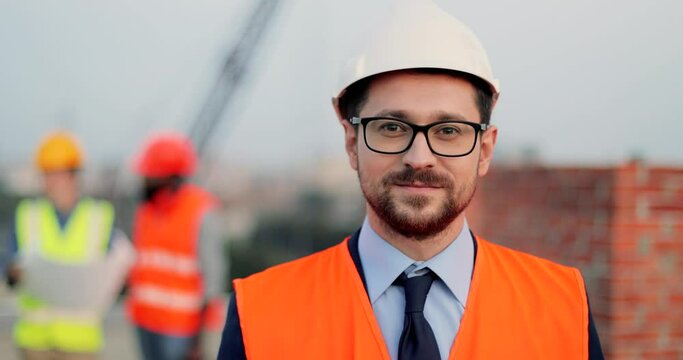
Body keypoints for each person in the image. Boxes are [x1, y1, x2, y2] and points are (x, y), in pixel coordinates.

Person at [218, 1, 604, 359]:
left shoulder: (563, 307)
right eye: (391, 127)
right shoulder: (260, 313)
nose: (419, 159)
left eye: (449, 131)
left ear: (485, 150)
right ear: (352, 143)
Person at [3, 131, 131, 360]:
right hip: (34, 341)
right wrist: (12, 272)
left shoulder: (99, 217)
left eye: (55, 174)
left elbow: (118, 270)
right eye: (45, 174)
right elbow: (8, 267)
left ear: (72, 175)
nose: (48, 182)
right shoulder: (27, 215)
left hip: (81, 343)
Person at [126, 132, 227, 360]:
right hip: (145, 321)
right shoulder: (146, 210)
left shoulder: (202, 212)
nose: (143, 181)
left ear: (169, 177)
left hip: (180, 331)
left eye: (149, 175)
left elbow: (213, 280)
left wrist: (197, 344)